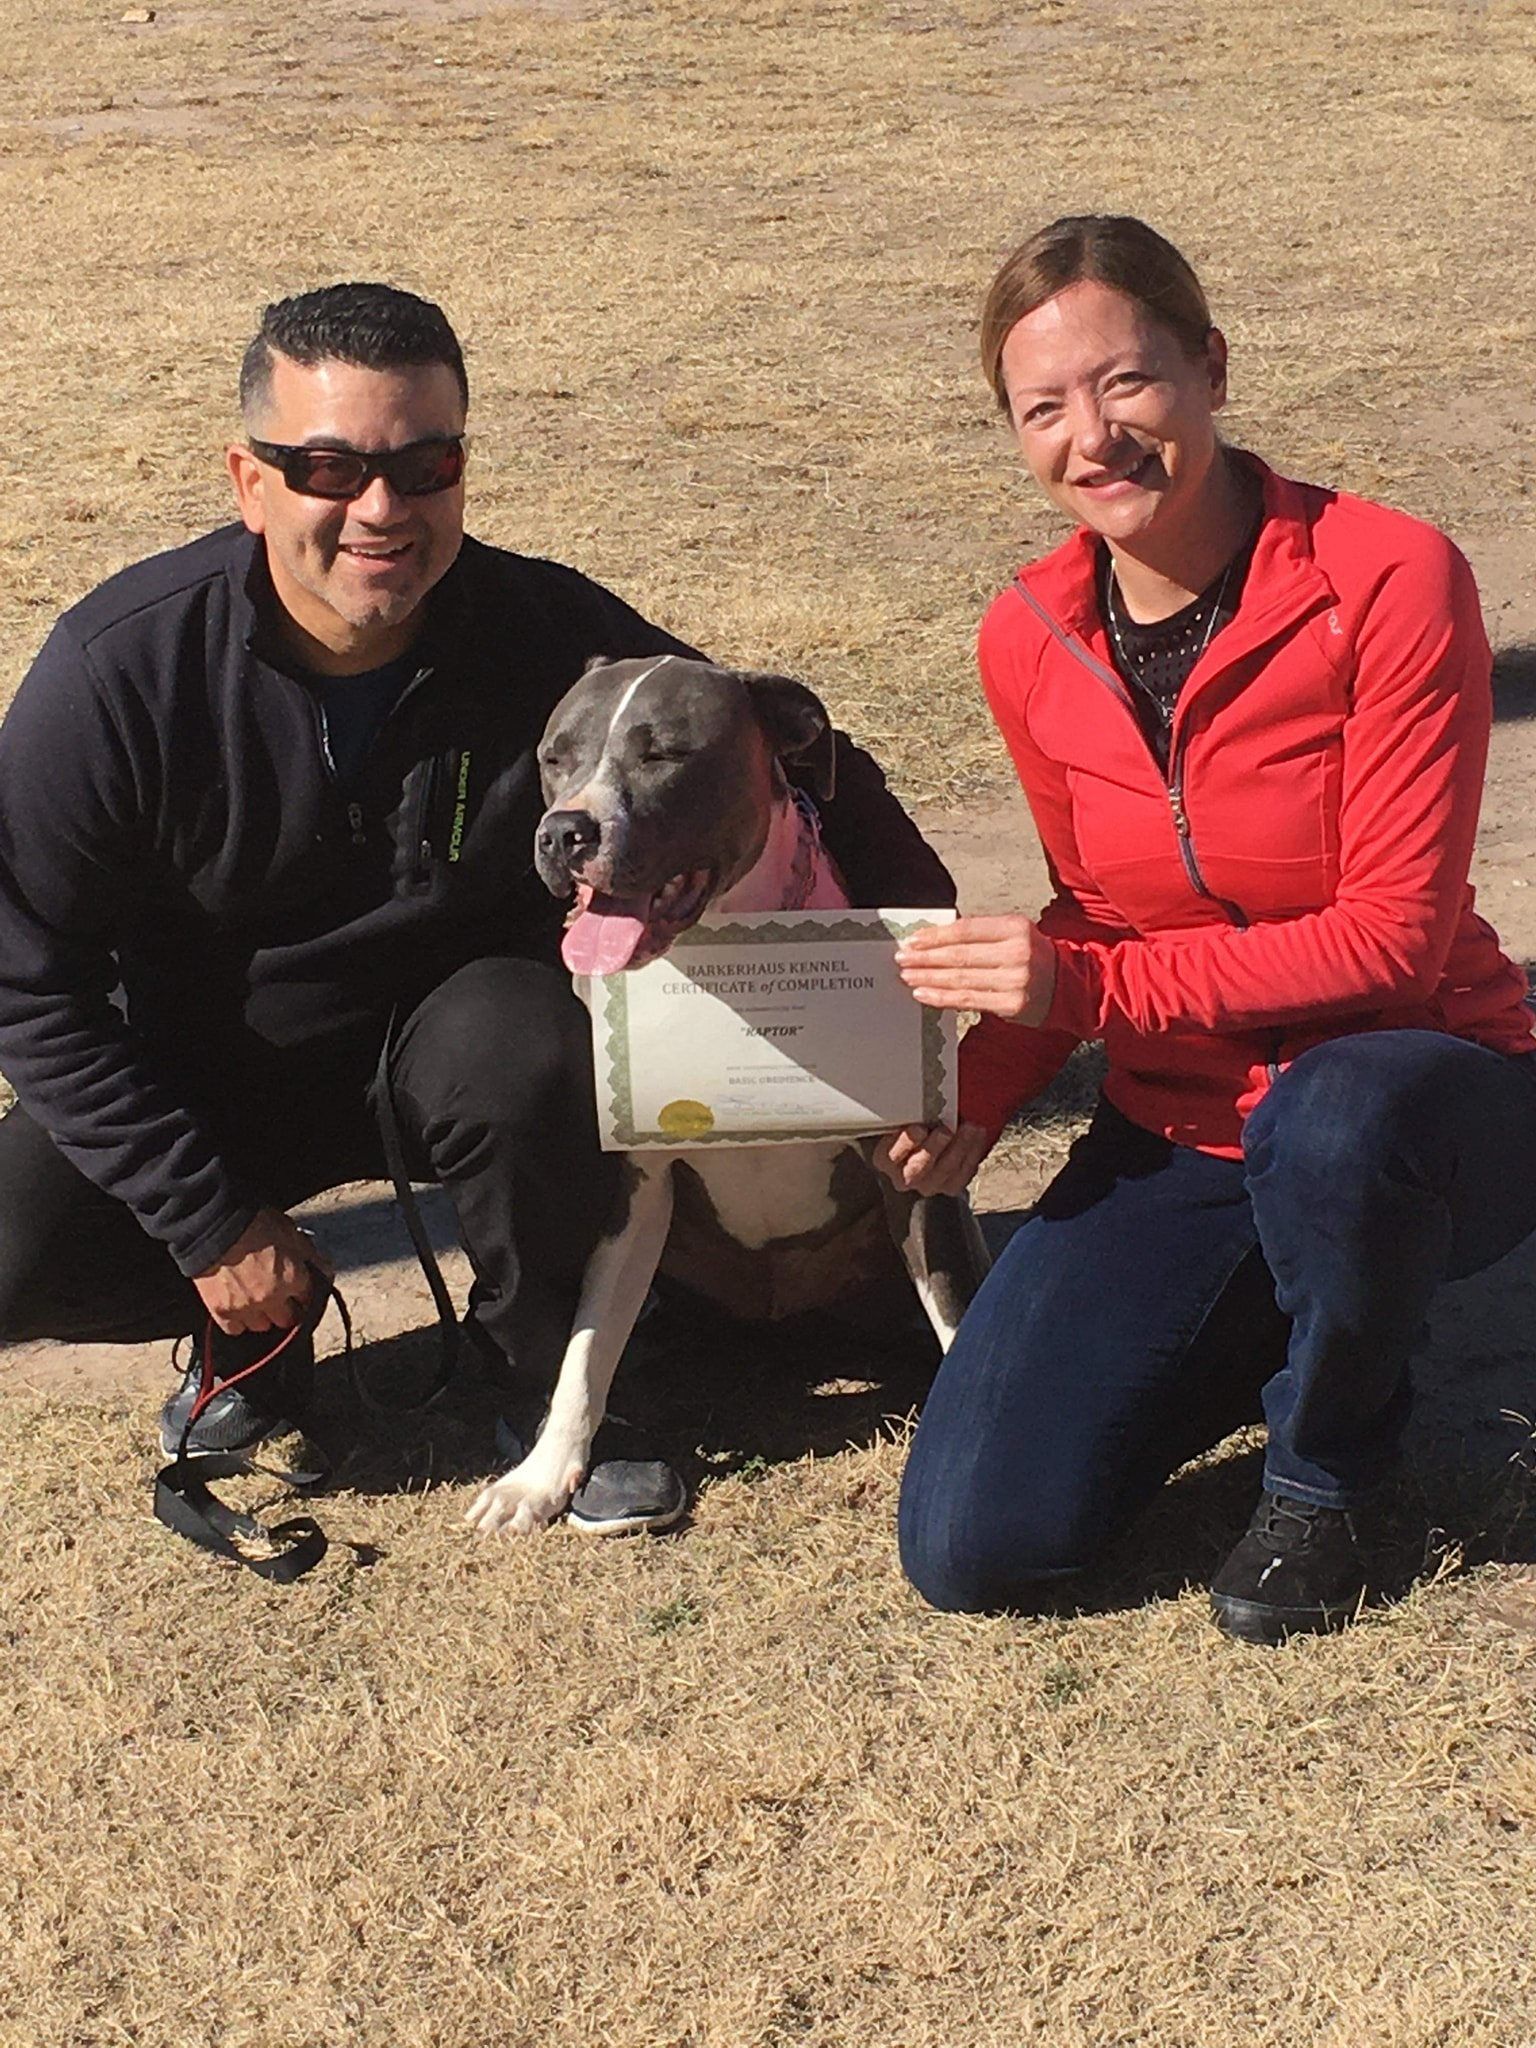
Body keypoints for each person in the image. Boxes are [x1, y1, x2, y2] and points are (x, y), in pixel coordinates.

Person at [0, 281, 953, 1534]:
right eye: (328, 467)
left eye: (424, 463)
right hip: (216, 1066)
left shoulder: (547, 629)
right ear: (249, 480)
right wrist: (207, 1217)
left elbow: (771, 748)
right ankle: (241, 1329)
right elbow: (27, 981)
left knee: (528, 1034)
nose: (382, 510)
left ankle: (560, 1386)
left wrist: (914, 975)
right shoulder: (119, 668)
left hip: (472, 1054)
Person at [876, 215, 1536, 1643]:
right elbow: (1094, 913)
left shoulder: (1388, 576)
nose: (1092, 437)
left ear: (1211, 369)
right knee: (976, 1544)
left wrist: (1075, 992)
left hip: (1418, 1094)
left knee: (1340, 1114)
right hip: (1184, 1121)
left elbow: (1393, 944)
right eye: (1043, 408)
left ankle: (1331, 1475)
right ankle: (1290, 1312)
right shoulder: (1027, 638)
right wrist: (979, 1093)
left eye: (1127, 383)